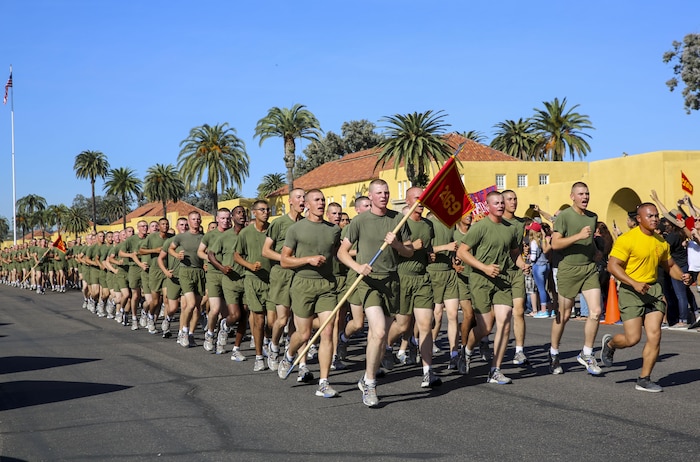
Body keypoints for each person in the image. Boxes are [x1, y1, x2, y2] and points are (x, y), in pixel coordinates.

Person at [337, 180, 413, 406]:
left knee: (378, 338)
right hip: (368, 282)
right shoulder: (360, 221)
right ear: (370, 197)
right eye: (379, 192)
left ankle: (367, 376)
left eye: (386, 192)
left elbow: (409, 252)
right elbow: (342, 253)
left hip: (391, 282)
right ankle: (370, 384)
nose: (384, 195)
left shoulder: (398, 219)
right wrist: (358, 267)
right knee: (379, 332)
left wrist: (397, 245)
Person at [601, 203, 691, 392]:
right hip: (630, 291)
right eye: (650, 216)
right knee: (632, 338)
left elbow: (670, 265)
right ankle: (610, 344)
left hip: (653, 291)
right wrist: (633, 283)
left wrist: (681, 275)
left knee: (655, 335)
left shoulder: (660, 241)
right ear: (639, 219)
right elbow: (613, 266)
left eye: (656, 215)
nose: (654, 219)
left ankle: (644, 378)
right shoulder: (627, 239)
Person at [456, 191, 527, 384]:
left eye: (502, 203)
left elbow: (514, 253)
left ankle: (495, 369)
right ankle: (467, 350)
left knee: (504, 322)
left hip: (502, 281)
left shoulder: (510, 228)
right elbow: (462, 252)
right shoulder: (480, 227)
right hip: (481, 281)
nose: (501, 206)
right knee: (485, 328)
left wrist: (522, 264)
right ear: (488, 206)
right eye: (496, 203)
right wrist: (484, 268)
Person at [277, 189, 342, 398]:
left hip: (327, 286)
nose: (321, 203)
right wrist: (308, 260)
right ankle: (288, 354)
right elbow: (284, 260)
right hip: (303, 284)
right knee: (304, 334)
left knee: (327, 330)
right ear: (306, 204)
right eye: (317, 200)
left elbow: (339, 254)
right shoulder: (296, 229)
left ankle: (323, 382)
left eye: (323, 200)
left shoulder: (333, 229)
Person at [549, 182, 603, 376]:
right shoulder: (564, 217)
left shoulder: (592, 216)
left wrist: (596, 252)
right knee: (563, 316)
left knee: (596, 311)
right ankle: (554, 352)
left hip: (588, 268)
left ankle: (587, 354)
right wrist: (578, 236)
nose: (585, 197)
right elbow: (555, 243)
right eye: (581, 194)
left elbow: (589, 241)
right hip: (568, 270)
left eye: (587, 193)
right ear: (572, 196)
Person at [234, 200, 274, 372]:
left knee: (273, 321)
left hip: (273, 279)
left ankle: (271, 348)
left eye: (267, 210)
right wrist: (249, 265)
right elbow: (236, 255)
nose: (265, 212)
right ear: (254, 213)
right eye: (262, 210)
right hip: (252, 279)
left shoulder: (274, 230)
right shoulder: (245, 233)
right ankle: (259, 356)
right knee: (258, 319)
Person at [501, 190, 532, 366]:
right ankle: (477, 344)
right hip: (497, 272)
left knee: (518, 311)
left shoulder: (521, 223)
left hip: (516, 271)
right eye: (509, 199)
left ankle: (519, 351)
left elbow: (519, 245)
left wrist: (523, 259)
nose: (513, 202)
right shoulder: (496, 222)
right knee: (494, 319)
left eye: (515, 199)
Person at [197, 208, 232, 352]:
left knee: (226, 313)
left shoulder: (234, 234)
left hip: (229, 275)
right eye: (222, 218)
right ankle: (210, 333)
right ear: (217, 219)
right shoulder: (210, 235)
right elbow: (200, 252)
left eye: (227, 218)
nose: (225, 221)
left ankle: (221, 338)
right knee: (215, 308)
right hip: (213, 275)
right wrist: (211, 260)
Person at [168, 211, 205, 347]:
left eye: (198, 219)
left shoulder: (204, 237)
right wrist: (177, 255)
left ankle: (191, 334)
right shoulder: (181, 237)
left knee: (197, 308)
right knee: (190, 304)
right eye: (193, 219)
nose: (196, 221)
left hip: (200, 272)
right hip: (185, 272)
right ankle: (183, 330)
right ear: (189, 221)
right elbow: (171, 249)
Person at [528, 222, 551, 318]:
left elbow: (533, 257)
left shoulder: (534, 242)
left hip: (538, 266)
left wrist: (529, 258)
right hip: (546, 264)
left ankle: (543, 310)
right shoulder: (543, 240)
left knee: (540, 289)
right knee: (544, 288)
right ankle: (550, 308)